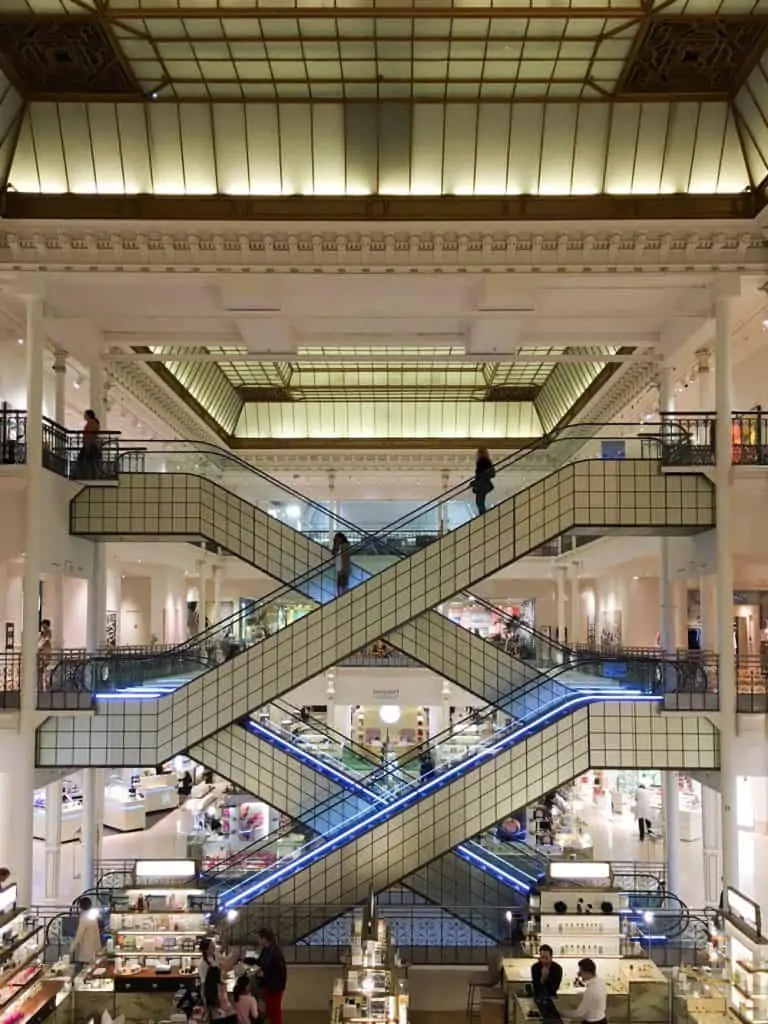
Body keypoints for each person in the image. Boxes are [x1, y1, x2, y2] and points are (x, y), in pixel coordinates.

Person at [254, 927, 287, 1024]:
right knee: (270, 1011)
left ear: (264, 938)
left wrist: (263, 974)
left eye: (259, 938)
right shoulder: (266, 949)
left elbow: (279, 972)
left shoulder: (275, 952)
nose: (257, 940)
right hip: (268, 985)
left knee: (274, 1013)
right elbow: (260, 962)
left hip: (275, 986)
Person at [561, 958, 607, 1023]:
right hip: (602, 1020)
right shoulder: (601, 982)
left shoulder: (591, 990)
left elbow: (579, 1013)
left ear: (587, 972)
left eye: (581, 971)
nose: (579, 974)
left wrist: (561, 1013)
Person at [70, 896, 102, 971]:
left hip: (86, 949)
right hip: (95, 947)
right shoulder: (93, 915)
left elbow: (79, 934)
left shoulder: (84, 917)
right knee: (93, 968)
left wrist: (72, 947)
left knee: (84, 970)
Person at [77, 409, 101, 479]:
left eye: (85, 415)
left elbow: (89, 435)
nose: (84, 416)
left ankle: (89, 476)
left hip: (89, 444)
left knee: (87, 461)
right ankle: (92, 476)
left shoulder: (91, 423)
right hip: (90, 444)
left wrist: (87, 445)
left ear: (89, 415)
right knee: (90, 461)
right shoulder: (93, 423)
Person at [472, 447, 495, 516]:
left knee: (479, 502)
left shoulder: (482, 461)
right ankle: (483, 515)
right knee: (480, 502)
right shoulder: (486, 461)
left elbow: (480, 475)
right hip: (484, 484)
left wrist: (475, 483)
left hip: (482, 484)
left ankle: (483, 515)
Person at [331, 532, 351, 597]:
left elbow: (346, 555)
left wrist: (344, 569)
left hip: (343, 568)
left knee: (343, 584)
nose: (336, 539)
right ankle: (340, 596)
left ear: (341, 538)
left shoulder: (345, 545)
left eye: (337, 538)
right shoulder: (337, 546)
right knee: (339, 584)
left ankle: (343, 597)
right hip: (339, 567)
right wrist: (336, 545)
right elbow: (333, 553)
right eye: (335, 538)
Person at [37, 619, 53, 689]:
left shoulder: (48, 632)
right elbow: (39, 640)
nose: (43, 626)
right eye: (42, 625)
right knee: (40, 670)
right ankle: (40, 685)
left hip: (45, 653)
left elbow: (46, 639)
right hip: (41, 654)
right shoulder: (42, 633)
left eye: (44, 625)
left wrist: (40, 646)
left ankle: (45, 685)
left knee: (45, 670)